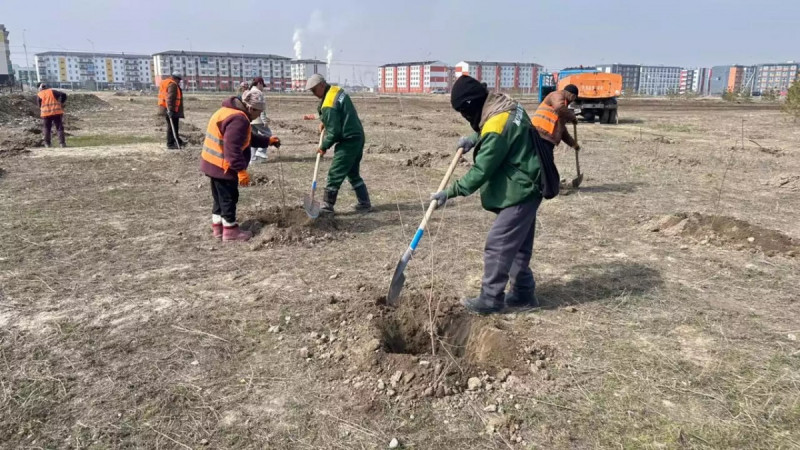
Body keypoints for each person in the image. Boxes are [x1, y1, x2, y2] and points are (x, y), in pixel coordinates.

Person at [430, 75, 543, 314]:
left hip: (520, 189)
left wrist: (449, 192)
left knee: (499, 243)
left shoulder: (495, 128)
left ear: (470, 106)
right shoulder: (505, 104)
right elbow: (497, 127)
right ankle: (524, 294)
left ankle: (490, 299)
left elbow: (481, 171)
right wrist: (473, 138)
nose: (464, 117)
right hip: (529, 183)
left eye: (463, 111)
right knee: (518, 245)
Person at [200, 89, 281, 242]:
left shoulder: (229, 111)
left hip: (213, 163)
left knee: (219, 198)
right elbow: (232, 148)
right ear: (251, 108)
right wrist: (241, 170)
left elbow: (246, 137)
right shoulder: (239, 119)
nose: (259, 115)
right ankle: (230, 231)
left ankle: (218, 227)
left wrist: (267, 141)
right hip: (224, 166)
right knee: (229, 198)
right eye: (259, 111)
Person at [306, 74, 371, 214]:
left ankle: (327, 206)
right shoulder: (335, 90)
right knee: (352, 172)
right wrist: (325, 121)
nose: (313, 94)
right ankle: (364, 203)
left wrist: (323, 147)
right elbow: (339, 112)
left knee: (335, 172)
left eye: (314, 90)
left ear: (322, 85)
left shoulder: (328, 104)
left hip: (348, 139)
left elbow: (335, 132)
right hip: (357, 136)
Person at [531, 84, 581, 152]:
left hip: (547, 138)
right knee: (545, 161)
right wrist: (572, 117)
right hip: (539, 133)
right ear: (572, 96)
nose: (573, 101)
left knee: (546, 162)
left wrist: (573, 144)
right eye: (574, 98)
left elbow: (562, 130)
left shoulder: (564, 109)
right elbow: (559, 107)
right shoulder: (556, 95)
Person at [157, 72, 184, 149]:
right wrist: (171, 110)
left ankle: (177, 141)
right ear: (176, 78)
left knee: (173, 127)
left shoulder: (166, 82)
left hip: (166, 108)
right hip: (171, 109)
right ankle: (170, 144)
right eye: (179, 80)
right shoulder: (172, 84)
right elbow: (170, 98)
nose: (179, 82)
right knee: (172, 127)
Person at [37, 83, 67, 148]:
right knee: (59, 128)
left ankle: (47, 144)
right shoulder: (52, 91)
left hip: (46, 114)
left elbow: (39, 105)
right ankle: (62, 144)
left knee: (47, 128)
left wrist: (43, 109)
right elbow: (64, 94)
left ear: (40, 88)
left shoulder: (39, 94)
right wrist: (61, 102)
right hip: (56, 112)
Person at [249, 77, 271, 163]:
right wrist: (264, 120)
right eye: (263, 85)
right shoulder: (258, 93)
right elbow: (260, 108)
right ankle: (260, 151)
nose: (263, 88)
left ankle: (252, 159)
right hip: (258, 119)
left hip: (251, 119)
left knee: (253, 138)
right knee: (268, 134)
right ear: (259, 83)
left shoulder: (250, 92)